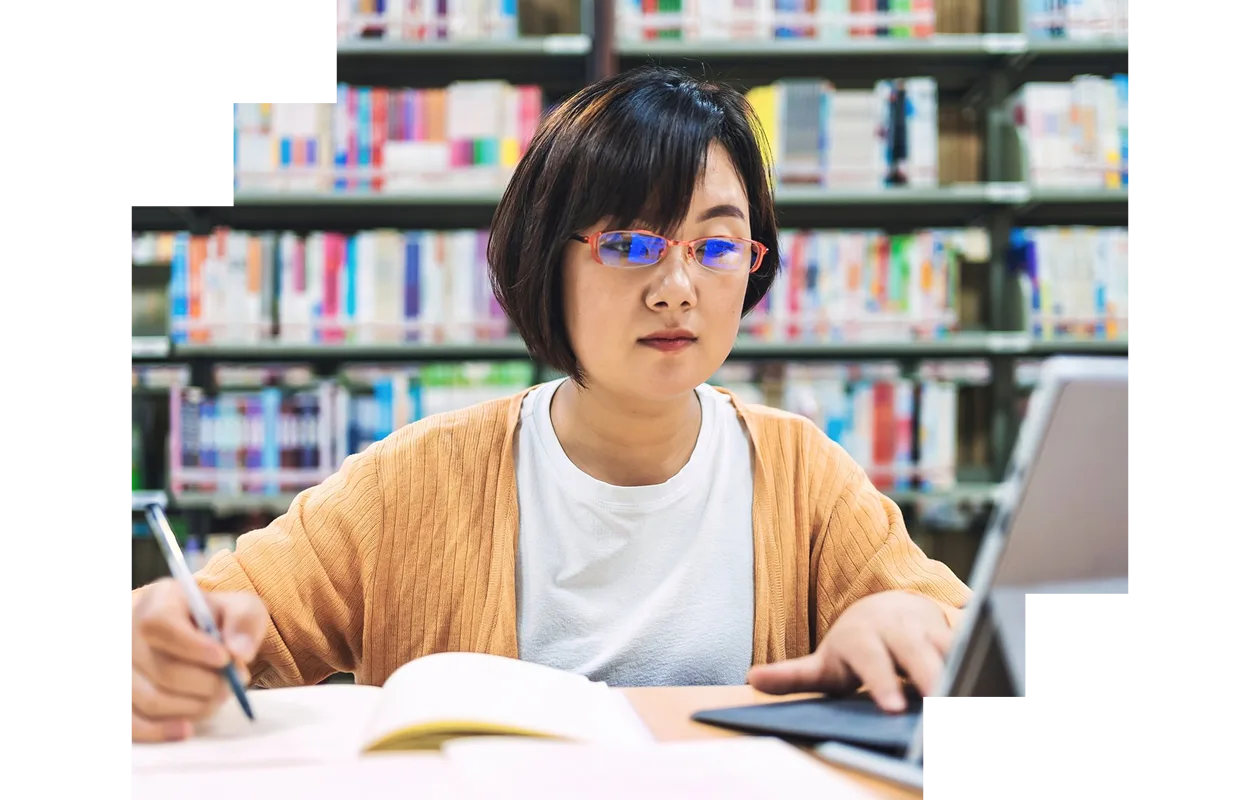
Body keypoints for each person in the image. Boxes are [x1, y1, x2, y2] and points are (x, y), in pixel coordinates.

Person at [128, 66, 971, 744]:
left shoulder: (802, 473)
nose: (677, 288)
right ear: (545, 257)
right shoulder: (415, 480)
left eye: (715, 244)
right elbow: (220, 626)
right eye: (629, 242)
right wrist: (165, 641)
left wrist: (909, 618)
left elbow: (959, 631)